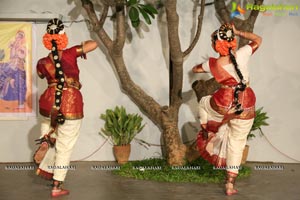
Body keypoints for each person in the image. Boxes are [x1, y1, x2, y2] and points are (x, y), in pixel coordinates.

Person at [192, 23, 262, 196]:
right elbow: (258, 40)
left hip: (223, 104)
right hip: (245, 106)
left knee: (204, 103)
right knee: (237, 144)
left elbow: (196, 69)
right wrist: (239, 31)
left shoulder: (212, 64)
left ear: (216, 45)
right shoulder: (243, 54)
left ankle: (207, 128)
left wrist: (207, 66)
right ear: (233, 42)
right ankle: (230, 184)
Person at [35, 18, 98, 197]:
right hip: (70, 103)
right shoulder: (71, 53)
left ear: (47, 39)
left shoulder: (41, 62)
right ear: (63, 37)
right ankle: (57, 186)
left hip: (48, 102)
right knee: (65, 147)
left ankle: (46, 138)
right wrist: (83, 44)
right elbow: (94, 45)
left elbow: (41, 74)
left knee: (50, 129)